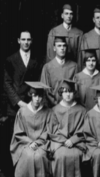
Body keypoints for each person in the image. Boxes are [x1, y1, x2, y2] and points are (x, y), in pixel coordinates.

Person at [3, 29, 42, 177]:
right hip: (15, 107)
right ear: (19, 41)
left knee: (31, 139)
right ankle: (11, 171)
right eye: (23, 39)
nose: (26, 42)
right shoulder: (10, 59)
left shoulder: (37, 60)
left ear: (31, 41)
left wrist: (32, 103)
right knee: (15, 140)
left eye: (28, 40)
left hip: (32, 105)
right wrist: (19, 102)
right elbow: (6, 83)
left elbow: (38, 83)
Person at [10, 81, 53, 177]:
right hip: (24, 144)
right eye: (35, 96)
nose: (37, 99)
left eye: (40, 96)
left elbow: (48, 131)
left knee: (40, 156)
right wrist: (30, 142)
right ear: (31, 95)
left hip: (42, 144)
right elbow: (18, 133)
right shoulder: (22, 111)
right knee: (28, 156)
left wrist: (37, 143)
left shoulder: (48, 112)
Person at [49, 79, 88, 177]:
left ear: (74, 93)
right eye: (65, 92)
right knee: (60, 156)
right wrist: (63, 141)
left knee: (77, 155)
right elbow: (52, 130)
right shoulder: (55, 110)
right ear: (61, 93)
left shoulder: (82, 110)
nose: (68, 94)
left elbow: (86, 130)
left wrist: (73, 140)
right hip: (59, 143)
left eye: (70, 91)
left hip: (78, 143)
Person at [41, 36, 78, 107]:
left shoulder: (74, 66)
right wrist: (56, 104)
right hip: (53, 107)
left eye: (64, 45)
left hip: (70, 106)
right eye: (59, 46)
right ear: (54, 48)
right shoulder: (47, 67)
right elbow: (45, 89)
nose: (62, 48)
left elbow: (76, 88)